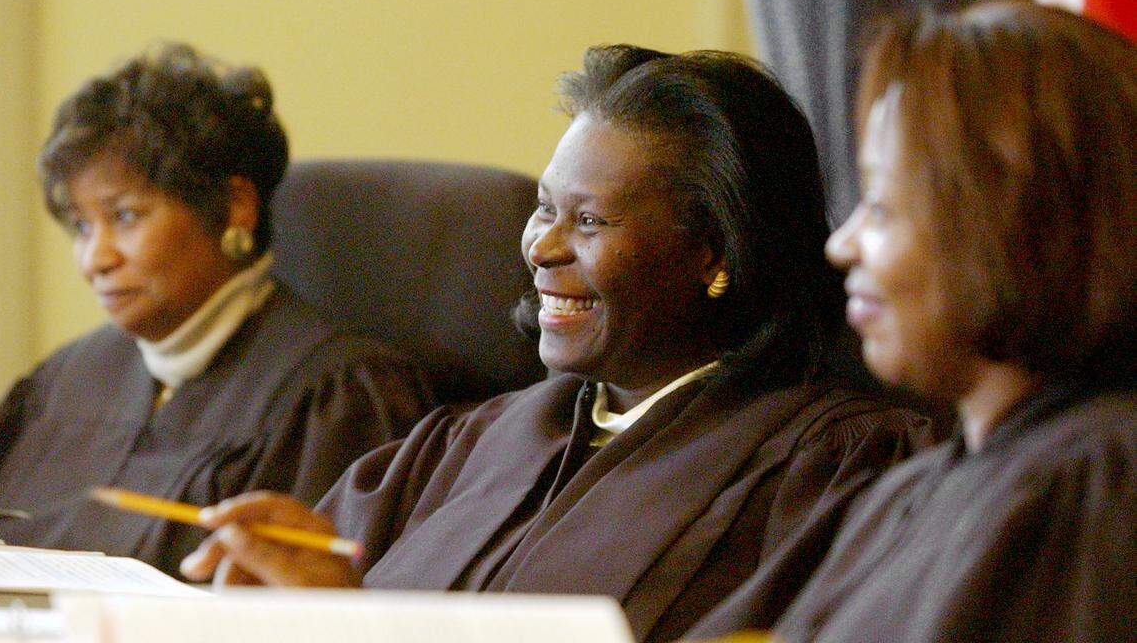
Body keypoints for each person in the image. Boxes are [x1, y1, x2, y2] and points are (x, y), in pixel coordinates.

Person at [180, 46, 931, 642]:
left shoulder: (828, 475)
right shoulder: (464, 443)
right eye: (545, 209)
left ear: (713, 254)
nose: (542, 248)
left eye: (590, 222)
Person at [692, 0, 1136, 642]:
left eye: (880, 206)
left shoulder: (1095, 495)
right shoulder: (917, 488)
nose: (840, 245)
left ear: (1014, 221)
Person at [0, 44, 432, 575]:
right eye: (82, 227)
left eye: (126, 216)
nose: (95, 259)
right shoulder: (65, 380)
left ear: (234, 206)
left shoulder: (335, 396)